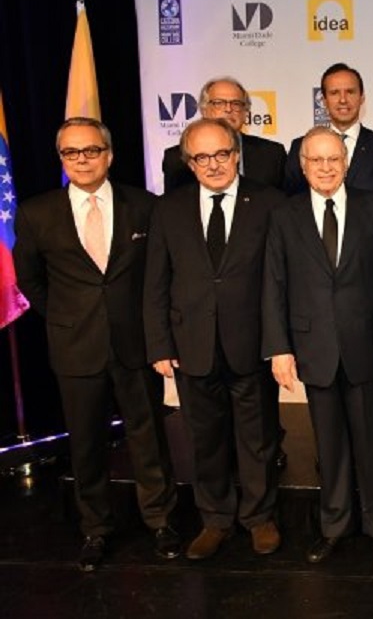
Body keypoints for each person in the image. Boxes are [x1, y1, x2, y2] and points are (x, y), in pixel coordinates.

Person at [14, 117, 179, 571]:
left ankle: (160, 521)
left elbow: (158, 276)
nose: (81, 160)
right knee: (85, 444)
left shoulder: (144, 205)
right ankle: (95, 529)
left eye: (90, 151)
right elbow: (30, 279)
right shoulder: (36, 213)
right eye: (71, 153)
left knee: (148, 439)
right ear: (62, 159)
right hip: (75, 347)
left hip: (135, 343)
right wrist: (67, 319)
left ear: (108, 155)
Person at [144, 118, 284, 560]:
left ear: (236, 153)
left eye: (221, 153)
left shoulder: (270, 203)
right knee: (204, 440)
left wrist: (280, 341)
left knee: (257, 438)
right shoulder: (168, 208)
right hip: (192, 345)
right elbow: (156, 282)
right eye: (201, 157)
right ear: (188, 162)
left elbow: (280, 280)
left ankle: (259, 517)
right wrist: (160, 344)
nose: (213, 164)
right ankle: (215, 519)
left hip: (252, 342)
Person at [262, 127, 373, 570]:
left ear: (346, 162)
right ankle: (334, 526)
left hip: (367, 346)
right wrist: (279, 348)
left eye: (333, 159)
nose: (325, 168)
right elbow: (274, 283)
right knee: (330, 447)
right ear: (302, 166)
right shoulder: (284, 215)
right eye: (316, 161)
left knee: (372, 446)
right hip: (312, 347)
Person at [284, 63, 373, 220]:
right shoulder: (300, 146)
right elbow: (291, 204)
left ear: (362, 97)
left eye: (350, 92)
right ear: (324, 100)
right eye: (334, 93)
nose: (343, 100)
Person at [161, 76, 287, 192]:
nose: (228, 109)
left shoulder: (272, 154)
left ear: (245, 112)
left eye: (236, 104)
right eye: (218, 103)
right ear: (204, 110)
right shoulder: (176, 159)